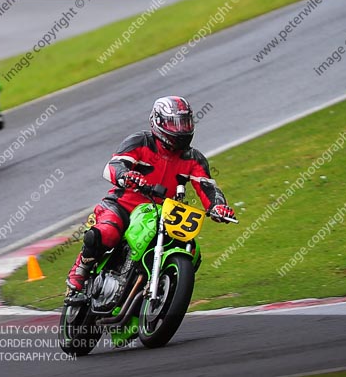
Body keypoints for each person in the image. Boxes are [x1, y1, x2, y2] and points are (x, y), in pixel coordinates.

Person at [66, 96, 235, 292]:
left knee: (193, 251)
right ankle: (82, 268)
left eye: (185, 122)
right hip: (123, 204)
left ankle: (161, 289)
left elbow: (207, 187)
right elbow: (113, 166)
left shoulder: (193, 158)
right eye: (174, 123)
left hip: (163, 213)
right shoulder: (140, 141)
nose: (181, 129)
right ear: (158, 122)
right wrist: (127, 175)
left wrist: (217, 206)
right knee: (106, 234)